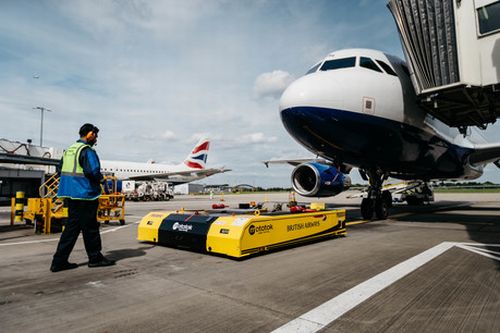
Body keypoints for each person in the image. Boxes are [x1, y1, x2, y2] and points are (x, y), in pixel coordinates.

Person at [50, 123, 115, 272]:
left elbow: (60, 170)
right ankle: (95, 258)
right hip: (85, 195)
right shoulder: (87, 150)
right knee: (90, 228)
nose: (96, 138)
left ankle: (59, 261)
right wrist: (102, 180)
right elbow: (92, 171)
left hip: (70, 194)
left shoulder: (69, 151)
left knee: (71, 229)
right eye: (96, 135)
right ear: (90, 134)